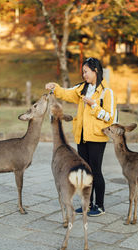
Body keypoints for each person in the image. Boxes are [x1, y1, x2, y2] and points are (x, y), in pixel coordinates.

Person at [45, 57, 117, 216]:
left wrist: (94, 106)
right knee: (85, 171)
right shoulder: (81, 89)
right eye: (83, 72)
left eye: (86, 71)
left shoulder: (107, 92)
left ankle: (99, 206)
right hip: (82, 136)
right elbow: (65, 93)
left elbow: (110, 118)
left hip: (97, 137)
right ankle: (87, 203)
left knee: (95, 171)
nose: (84, 75)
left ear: (95, 71)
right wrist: (54, 87)